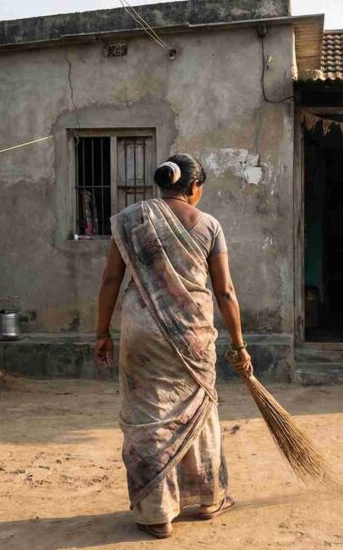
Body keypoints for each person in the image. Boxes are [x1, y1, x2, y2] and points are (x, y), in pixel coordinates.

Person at [95, 153, 254, 539]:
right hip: (192, 334)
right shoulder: (209, 225)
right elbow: (225, 291)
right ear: (194, 187)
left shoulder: (131, 220)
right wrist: (239, 345)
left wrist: (102, 332)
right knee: (199, 411)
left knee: (149, 416)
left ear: (164, 183)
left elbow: (111, 280)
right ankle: (208, 498)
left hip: (140, 331)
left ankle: (156, 514)